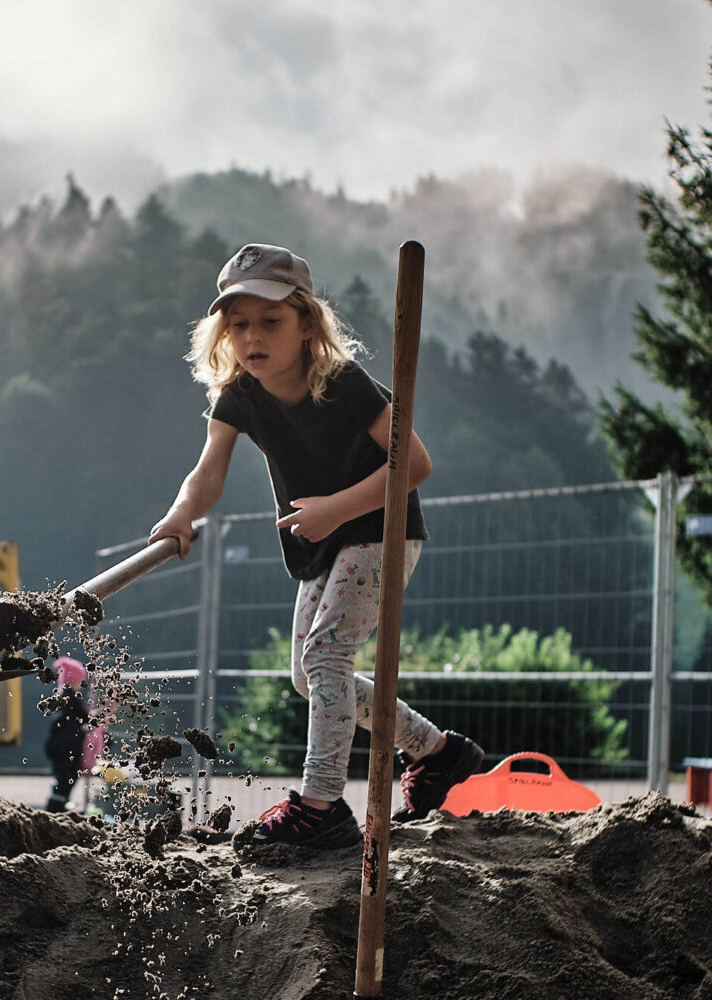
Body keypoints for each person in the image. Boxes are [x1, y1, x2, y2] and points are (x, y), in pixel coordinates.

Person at [148, 244, 484, 849]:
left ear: (307, 324)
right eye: (239, 323)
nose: (253, 337)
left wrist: (335, 509)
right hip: (322, 541)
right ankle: (436, 751)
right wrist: (179, 514)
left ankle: (321, 804)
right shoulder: (239, 395)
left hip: (379, 530)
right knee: (310, 677)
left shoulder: (343, 382)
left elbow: (416, 462)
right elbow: (208, 472)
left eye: (270, 322)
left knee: (327, 655)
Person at [43, 656, 90, 812]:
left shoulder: (62, 698)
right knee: (66, 781)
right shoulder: (72, 700)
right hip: (68, 749)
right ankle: (56, 811)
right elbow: (87, 719)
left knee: (61, 782)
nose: (82, 685)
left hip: (59, 749)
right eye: (80, 681)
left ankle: (56, 808)